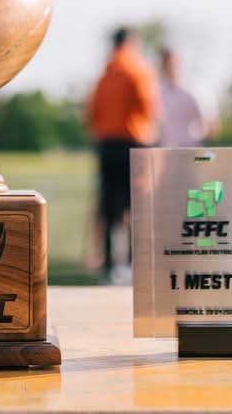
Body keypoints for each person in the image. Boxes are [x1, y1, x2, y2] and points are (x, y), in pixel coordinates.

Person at [87, 27, 159, 284]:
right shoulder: (138, 68)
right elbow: (147, 105)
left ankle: (109, 265)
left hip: (107, 144)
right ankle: (131, 263)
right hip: (134, 142)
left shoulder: (103, 74)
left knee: (109, 208)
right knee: (136, 206)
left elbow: (92, 112)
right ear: (130, 41)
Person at [158, 48, 207, 148]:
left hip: (193, 152)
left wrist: (198, 135)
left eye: (173, 64)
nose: (170, 68)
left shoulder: (194, 89)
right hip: (167, 152)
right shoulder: (156, 91)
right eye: (166, 64)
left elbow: (209, 123)